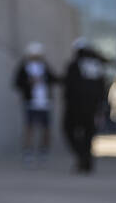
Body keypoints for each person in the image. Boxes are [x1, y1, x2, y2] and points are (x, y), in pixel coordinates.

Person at [62, 38, 108, 173]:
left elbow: (69, 86)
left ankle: (83, 158)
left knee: (69, 131)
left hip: (75, 108)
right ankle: (86, 161)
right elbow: (102, 88)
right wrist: (101, 106)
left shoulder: (74, 65)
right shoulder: (97, 67)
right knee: (88, 135)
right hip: (92, 108)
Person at [11, 41, 57, 165]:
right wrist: (29, 82)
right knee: (29, 128)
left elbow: (54, 79)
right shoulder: (24, 67)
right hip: (30, 103)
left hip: (45, 103)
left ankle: (43, 152)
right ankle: (28, 153)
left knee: (46, 128)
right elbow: (16, 83)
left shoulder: (44, 67)